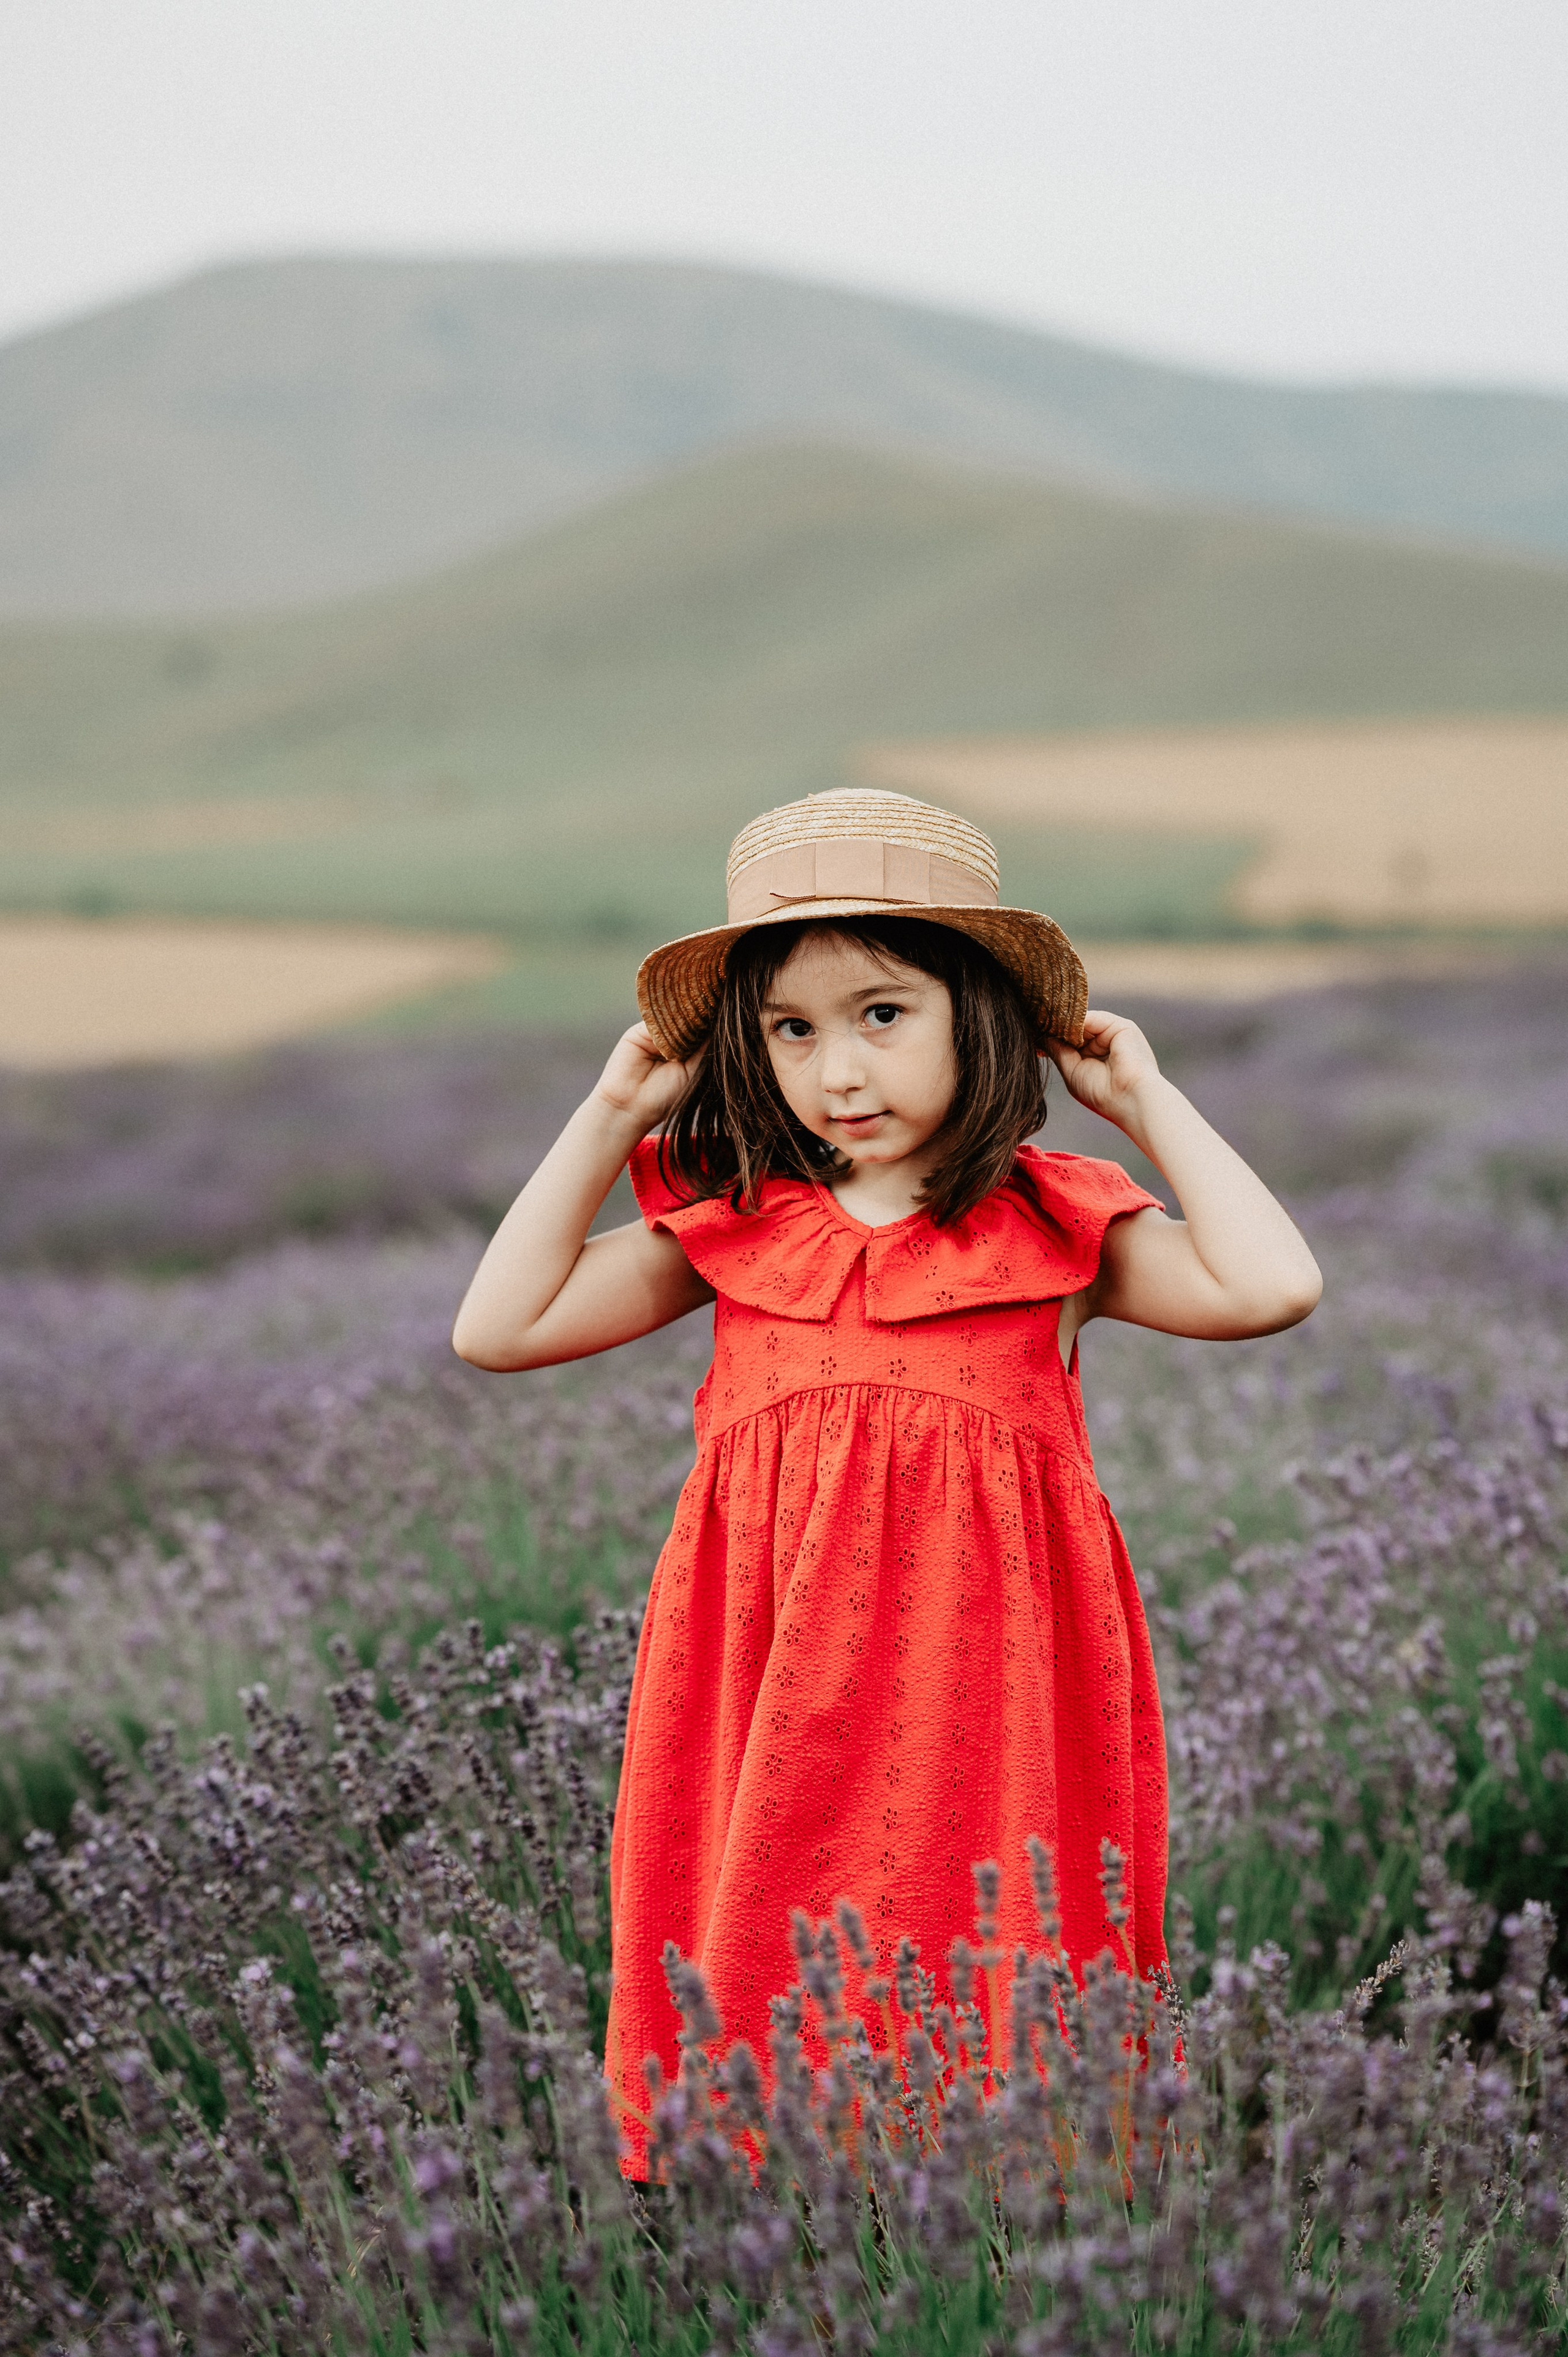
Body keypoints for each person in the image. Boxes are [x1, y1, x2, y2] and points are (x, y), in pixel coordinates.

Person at [453, 787, 1321, 2168]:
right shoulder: (733, 1224)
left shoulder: (1051, 1226)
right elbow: (496, 1330)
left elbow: (1272, 1285)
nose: (835, 1070)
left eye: (879, 1014)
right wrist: (609, 1114)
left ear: (975, 1014)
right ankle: (773, 2210)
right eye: (789, 1029)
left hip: (986, 1687)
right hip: (769, 1676)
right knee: (758, 1955)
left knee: (997, 1962)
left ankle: (1002, 2229)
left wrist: (1141, 1098)